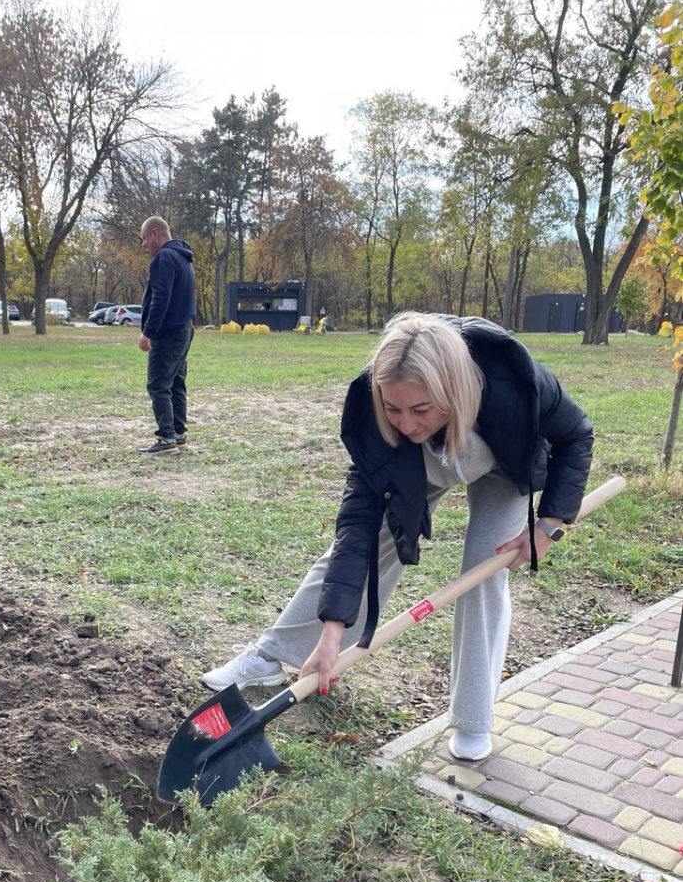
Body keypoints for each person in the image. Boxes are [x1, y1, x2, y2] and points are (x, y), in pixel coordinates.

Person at [203, 312, 593, 762]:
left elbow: (576, 435)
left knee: (484, 571)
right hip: (420, 462)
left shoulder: (514, 381)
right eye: (394, 408)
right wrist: (331, 632)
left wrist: (548, 525)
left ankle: (472, 718)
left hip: (502, 463)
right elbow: (357, 532)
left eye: (419, 409)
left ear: (452, 391)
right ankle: (275, 654)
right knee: (364, 547)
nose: (405, 422)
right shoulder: (381, 417)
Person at [137, 216, 196, 454]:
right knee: (176, 383)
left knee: (158, 385)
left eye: (144, 240)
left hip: (169, 332)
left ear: (154, 233)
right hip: (184, 328)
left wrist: (148, 332)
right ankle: (179, 434)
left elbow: (161, 299)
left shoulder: (164, 258)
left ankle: (166, 438)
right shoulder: (183, 258)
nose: (143, 246)